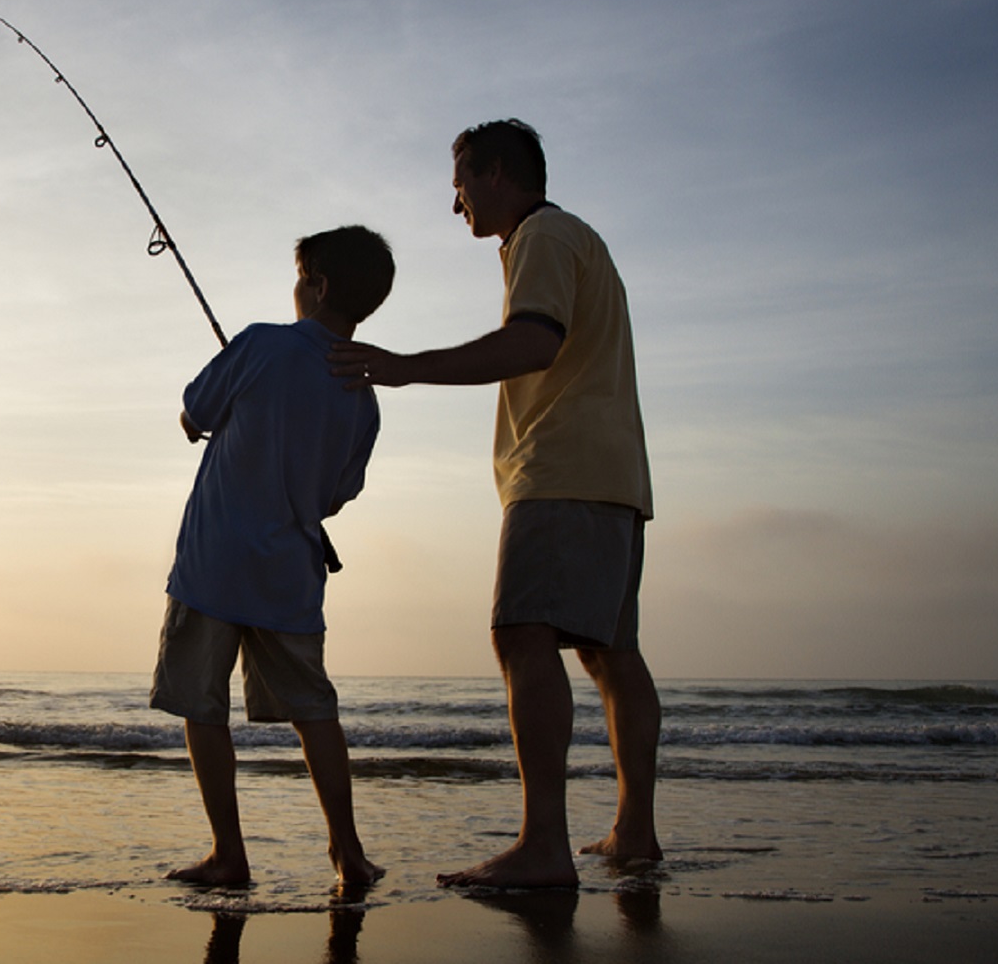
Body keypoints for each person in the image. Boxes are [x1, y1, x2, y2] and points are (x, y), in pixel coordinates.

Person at [328, 119, 661, 888]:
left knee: (519, 634)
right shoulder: (582, 239)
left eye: (460, 186)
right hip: (615, 477)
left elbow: (533, 343)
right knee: (611, 654)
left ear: (498, 173)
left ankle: (543, 844)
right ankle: (634, 832)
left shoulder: (542, 236)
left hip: (561, 471)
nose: (456, 207)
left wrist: (406, 367)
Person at [151, 225, 395, 889]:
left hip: (212, 564)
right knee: (315, 710)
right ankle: (348, 851)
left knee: (204, 706)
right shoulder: (363, 396)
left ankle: (229, 854)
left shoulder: (261, 343)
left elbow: (192, 411)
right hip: (290, 574)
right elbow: (339, 494)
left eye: (299, 278)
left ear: (315, 287)